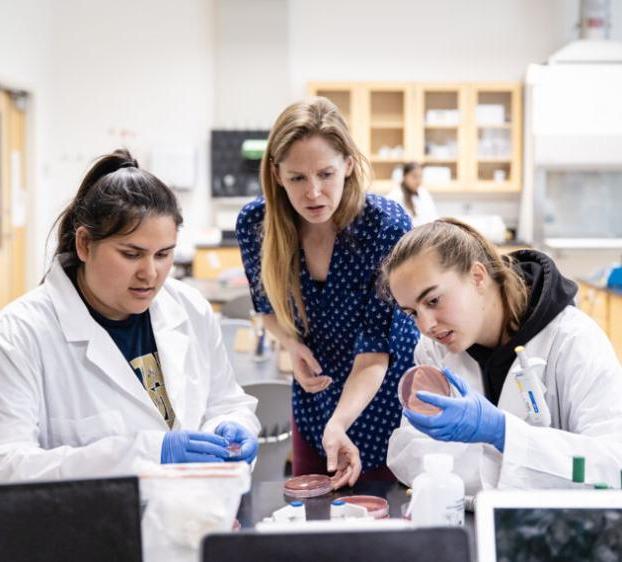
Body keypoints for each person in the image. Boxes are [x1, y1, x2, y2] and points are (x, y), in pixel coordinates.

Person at [0, 149, 260, 482]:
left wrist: (232, 426)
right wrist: (142, 456)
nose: (150, 273)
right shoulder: (20, 334)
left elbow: (225, 400)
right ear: (84, 244)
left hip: (195, 515)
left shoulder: (189, 308)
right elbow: (9, 465)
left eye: (164, 254)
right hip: (91, 528)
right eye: (131, 254)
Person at [236, 97, 418, 488]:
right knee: (312, 522)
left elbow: (375, 351)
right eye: (298, 177)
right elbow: (266, 306)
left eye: (326, 174)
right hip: (314, 397)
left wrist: (340, 423)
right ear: (277, 174)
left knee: (382, 522)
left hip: (383, 394)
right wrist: (290, 345)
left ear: (349, 165)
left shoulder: (383, 225)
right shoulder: (257, 224)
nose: (314, 193)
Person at [382, 218, 622, 493]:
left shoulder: (573, 340)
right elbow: (410, 453)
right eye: (412, 313)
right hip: (467, 523)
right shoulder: (433, 349)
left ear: (478, 277)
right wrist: (521, 459)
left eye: (433, 300)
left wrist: (503, 433)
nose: (425, 326)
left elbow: (613, 464)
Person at [387, 162, 438, 227]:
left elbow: (433, 217)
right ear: (405, 176)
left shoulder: (423, 193)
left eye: (420, 176)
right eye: (414, 176)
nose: (418, 180)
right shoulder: (395, 196)